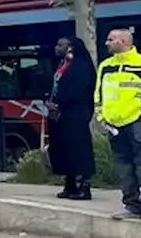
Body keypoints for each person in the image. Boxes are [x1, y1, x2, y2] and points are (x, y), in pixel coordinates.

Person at [96, 28, 141, 224]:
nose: (106, 43)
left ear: (123, 41)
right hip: (114, 124)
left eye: (111, 39)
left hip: (138, 123)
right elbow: (99, 93)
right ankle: (132, 205)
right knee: (123, 168)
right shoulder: (105, 66)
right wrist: (101, 115)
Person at [47, 37, 97, 200]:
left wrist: (61, 100)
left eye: (60, 45)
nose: (56, 47)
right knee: (62, 147)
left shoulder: (81, 66)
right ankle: (69, 184)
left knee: (79, 148)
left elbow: (81, 90)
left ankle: (84, 185)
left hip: (76, 112)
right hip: (60, 113)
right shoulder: (63, 65)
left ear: (71, 48)